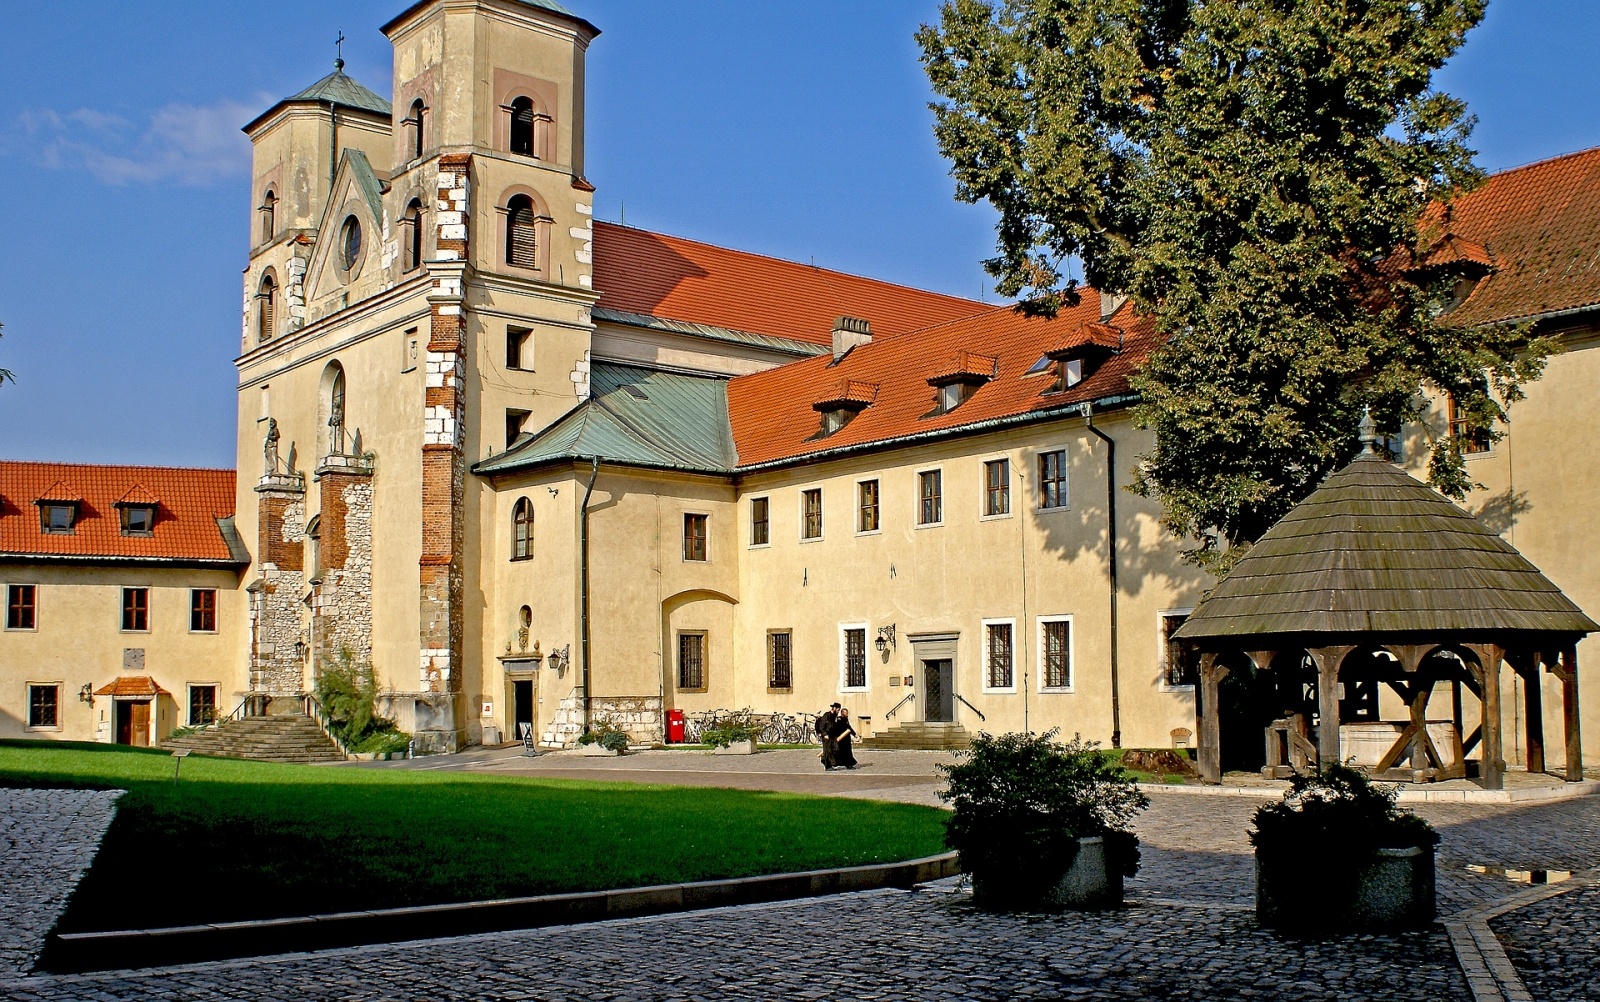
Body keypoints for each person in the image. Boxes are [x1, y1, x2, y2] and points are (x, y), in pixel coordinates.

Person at [816, 703, 840, 771]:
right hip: (826, 736)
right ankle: (827, 766)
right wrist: (824, 734)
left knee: (835, 749)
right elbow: (821, 725)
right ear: (834, 708)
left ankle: (825, 760)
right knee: (827, 750)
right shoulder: (827, 715)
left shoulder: (834, 716)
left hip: (832, 735)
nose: (838, 711)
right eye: (838, 710)